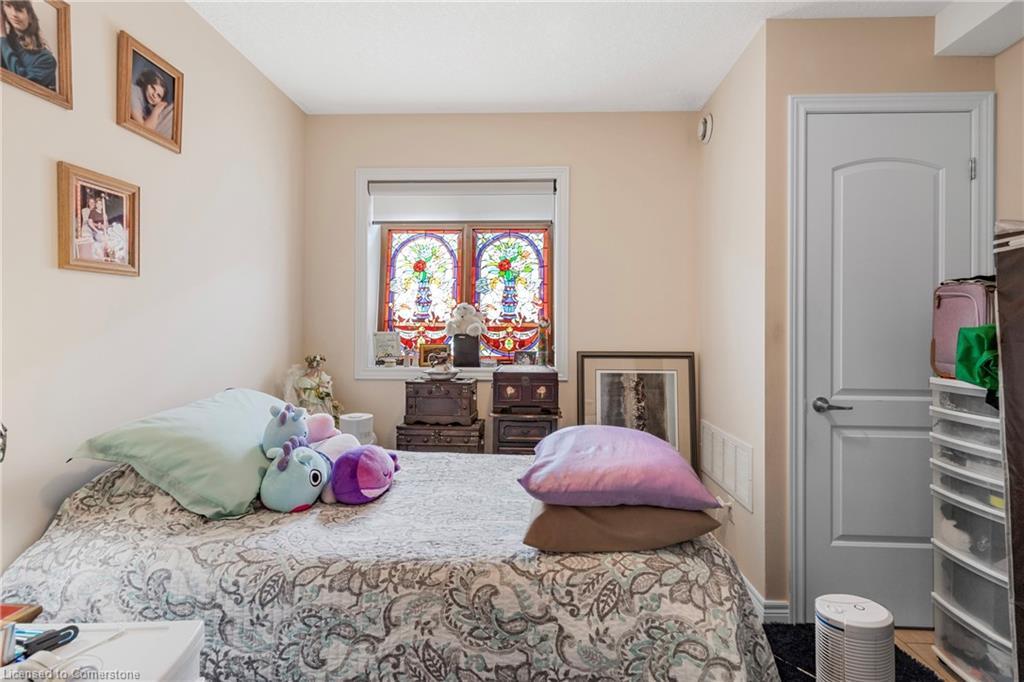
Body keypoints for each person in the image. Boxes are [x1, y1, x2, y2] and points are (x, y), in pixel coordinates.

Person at [0, 1, 56, 90]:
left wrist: (2, 35)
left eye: (19, 9)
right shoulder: (5, 45)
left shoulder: (46, 59)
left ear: (30, 16)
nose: (13, 14)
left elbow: (22, 84)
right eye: (8, 6)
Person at [130, 66, 173, 138]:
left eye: (159, 95)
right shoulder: (134, 91)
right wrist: (156, 110)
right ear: (146, 83)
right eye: (153, 88)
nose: (154, 95)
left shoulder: (146, 106)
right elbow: (144, 130)